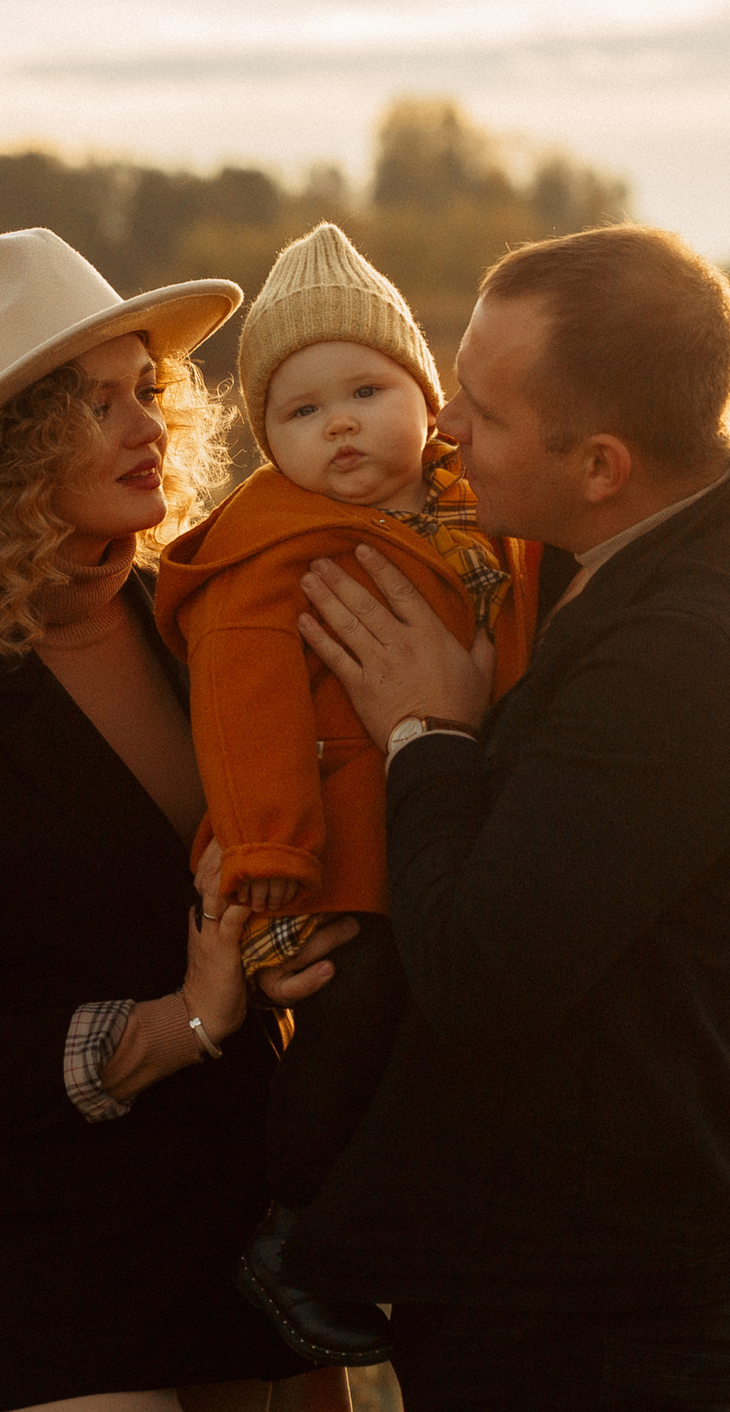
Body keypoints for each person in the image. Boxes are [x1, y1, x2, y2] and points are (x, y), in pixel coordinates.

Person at [0, 228, 354, 1412]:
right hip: (39, 1264)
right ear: (1, 452)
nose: (149, 424)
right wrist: (179, 1022)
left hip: (249, 1228)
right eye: (95, 403)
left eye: (145, 390)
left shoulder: (201, 622)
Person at [283, 225, 730, 1409]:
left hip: (595, 1310)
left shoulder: (686, 654)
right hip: (548, 1274)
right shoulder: (607, 560)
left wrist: (428, 734)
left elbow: (479, 968)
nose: (442, 430)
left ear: (599, 465)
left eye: (480, 407)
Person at [153, 224, 540, 1367]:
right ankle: (292, 1234)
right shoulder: (267, 553)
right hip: (334, 856)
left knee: (430, 1037)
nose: (340, 426)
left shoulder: (478, 517)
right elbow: (242, 711)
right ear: (266, 442)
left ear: (428, 400)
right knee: (352, 1020)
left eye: (367, 391)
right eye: (301, 412)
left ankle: (365, 1232)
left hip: (448, 830)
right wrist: (271, 857)